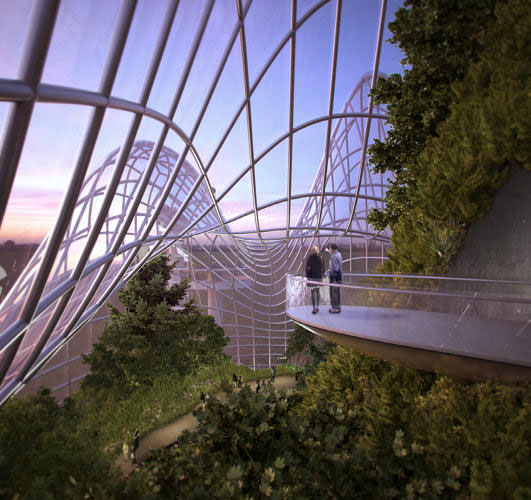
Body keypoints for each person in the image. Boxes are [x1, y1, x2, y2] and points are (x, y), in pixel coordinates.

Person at [305, 245, 324, 314]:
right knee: (318, 292)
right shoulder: (321, 258)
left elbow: (307, 268)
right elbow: (323, 269)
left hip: (312, 278)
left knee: (312, 293)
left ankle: (313, 308)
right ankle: (318, 306)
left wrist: (308, 277)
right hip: (318, 278)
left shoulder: (309, 258)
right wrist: (322, 278)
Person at [327, 243, 342, 313]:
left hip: (334, 279)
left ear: (332, 250)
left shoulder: (333, 257)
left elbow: (335, 269)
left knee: (333, 293)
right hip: (339, 278)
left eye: (330, 249)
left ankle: (334, 308)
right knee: (337, 293)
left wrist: (330, 274)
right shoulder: (338, 254)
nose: (329, 250)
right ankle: (338, 307)